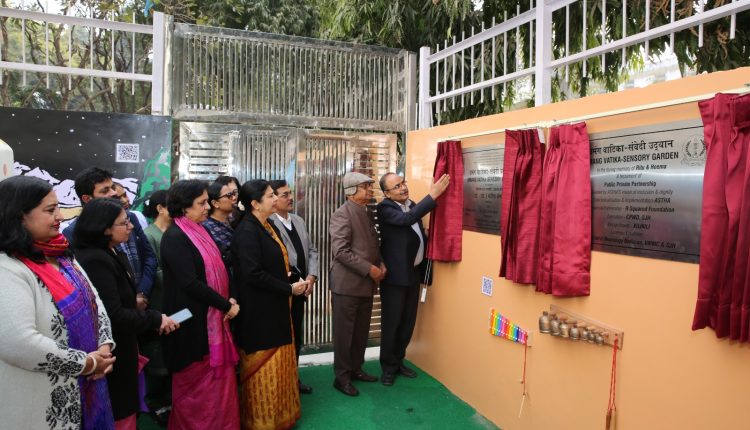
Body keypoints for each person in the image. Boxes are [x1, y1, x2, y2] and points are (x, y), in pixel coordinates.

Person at [0, 175, 117, 429]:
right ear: (19, 216)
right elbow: (18, 342)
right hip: (38, 404)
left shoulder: (61, 254)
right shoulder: (7, 268)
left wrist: (104, 348)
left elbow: (95, 301)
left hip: (86, 389)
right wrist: (87, 363)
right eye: (50, 210)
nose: (60, 217)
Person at [73, 198, 179, 429]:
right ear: (104, 228)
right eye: (124, 223)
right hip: (111, 350)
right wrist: (155, 318)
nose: (131, 226)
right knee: (119, 412)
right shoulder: (95, 259)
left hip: (125, 344)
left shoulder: (110, 251)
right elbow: (114, 315)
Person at [161, 179, 240, 430]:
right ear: (184, 207)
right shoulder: (175, 237)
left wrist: (229, 297)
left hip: (211, 316)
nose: (208, 207)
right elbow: (189, 283)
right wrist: (225, 305)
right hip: (190, 321)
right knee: (194, 383)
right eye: (202, 203)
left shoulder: (200, 230)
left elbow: (221, 268)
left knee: (218, 385)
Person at [231, 179, 309, 429]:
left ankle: (280, 416)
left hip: (275, 306)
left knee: (280, 366)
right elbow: (252, 274)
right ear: (255, 204)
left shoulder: (266, 225)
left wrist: (287, 277)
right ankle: (262, 421)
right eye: (270, 196)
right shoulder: (247, 231)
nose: (276, 199)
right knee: (265, 372)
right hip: (259, 313)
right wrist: (288, 288)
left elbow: (271, 263)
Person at [376, 172, 450, 386]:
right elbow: (405, 220)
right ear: (387, 193)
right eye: (397, 186)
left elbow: (413, 232)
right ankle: (388, 367)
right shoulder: (385, 208)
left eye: (403, 183)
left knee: (407, 322)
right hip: (394, 278)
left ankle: (398, 361)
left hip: (413, 273)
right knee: (392, 323)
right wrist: (433, 196)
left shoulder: (412, 204)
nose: (403, 188)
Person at [64, 167, 157, 312]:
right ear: (87, 199)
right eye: (105, 191)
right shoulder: (74, 232)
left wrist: (142, 292)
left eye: (113, 187)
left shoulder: (130, 217)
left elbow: (149, 256)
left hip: (141, 301)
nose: (114, 193)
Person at [329, 172, 385, 397]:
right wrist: (370, 269)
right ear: (351, 191)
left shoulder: (365, 211)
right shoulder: (342, 214)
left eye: (370, 186)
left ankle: (356, 369)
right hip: (347, 286)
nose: (370, 190)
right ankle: (342, 378)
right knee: (345, 334)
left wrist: (381, 263)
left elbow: (372, 245)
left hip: (365, 284)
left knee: (361, 331)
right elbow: (341, 252)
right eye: (365, 187)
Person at [270, 179, 319, 395]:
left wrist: (312, 276)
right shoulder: (268, 223)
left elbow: (312, 250)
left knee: (296, 335)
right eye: (284, 195)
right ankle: (281, 382)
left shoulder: (298, 220)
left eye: (290, 193)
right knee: (282, 337)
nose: (290, 198)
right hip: (281, 290)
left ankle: (293, 379)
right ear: (272, 198)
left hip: (301, 289)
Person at [142, 189, 173, 422]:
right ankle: (158, 402)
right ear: (160, 208)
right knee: (157, 350)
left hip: (176, 300)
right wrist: (182, 278)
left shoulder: (174, 231)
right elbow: (153, 270)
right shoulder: (149, 234)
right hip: (160, 300)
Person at [203, 178, 239, 271]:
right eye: (229, 195)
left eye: (234, 194)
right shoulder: (208, 227)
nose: (234, 198)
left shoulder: (233, 219)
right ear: (215, 203)